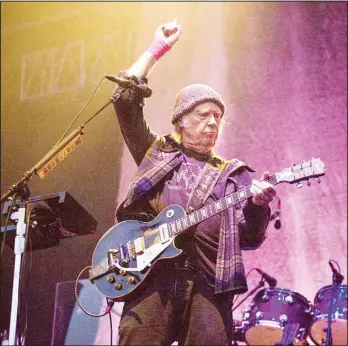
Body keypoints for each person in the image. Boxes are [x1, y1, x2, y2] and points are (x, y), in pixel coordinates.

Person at [111, 19, 276, 346]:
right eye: (203, 114)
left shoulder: (233, 174)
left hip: (210, 286)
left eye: (218, 116)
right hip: (154, 278)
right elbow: (124, 100)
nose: (213, 121)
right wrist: (156, 49)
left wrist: (259, 208)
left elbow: (251, 238)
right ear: (181, 121)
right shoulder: (158, 153)